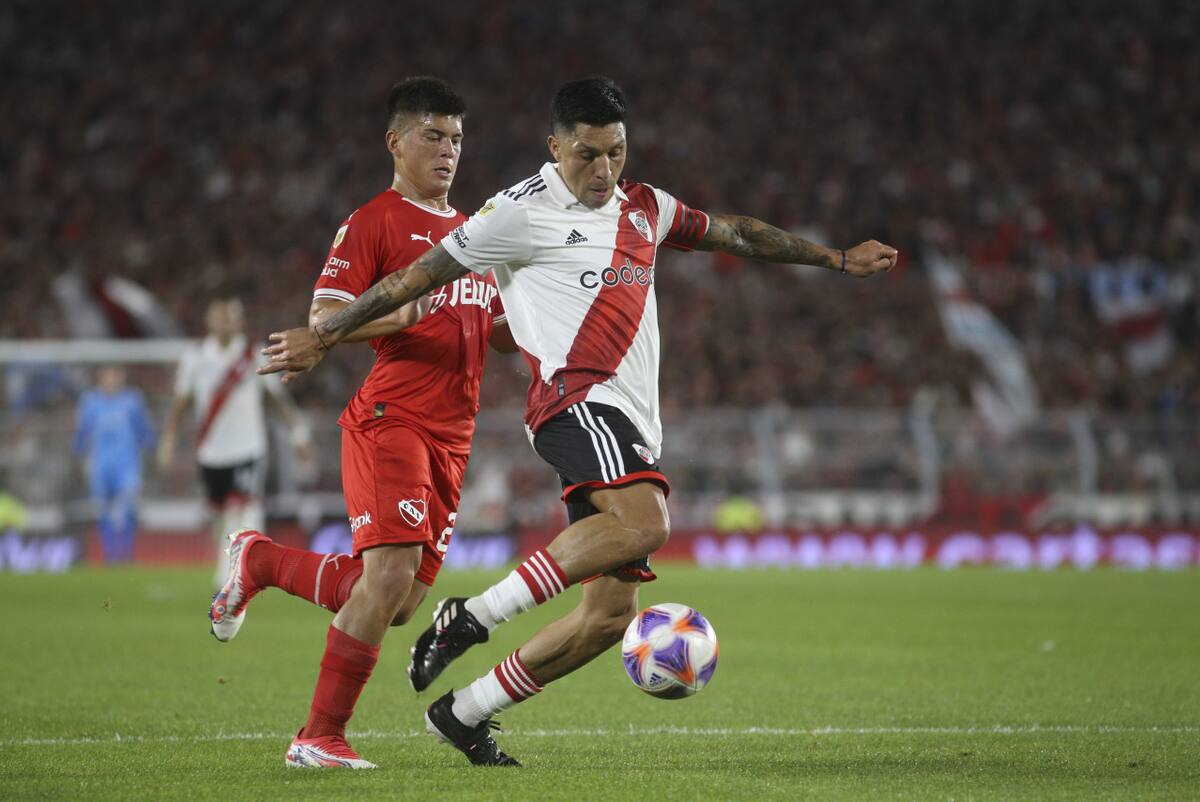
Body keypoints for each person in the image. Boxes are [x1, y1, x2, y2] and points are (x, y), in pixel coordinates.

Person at [259, 77, 898, 767]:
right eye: (587, 155)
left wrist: (832, 258)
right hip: (573, 402)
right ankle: (471, 617)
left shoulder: (646, 207)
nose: (603, 170)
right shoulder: (515, 213)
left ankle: (464, 712)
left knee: (607, 618)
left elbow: (734, 233)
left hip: (630, 419)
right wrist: (326, 333)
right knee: (649, 521)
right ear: (555, 147)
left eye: (615, 154)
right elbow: (415, 277)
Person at [210, 77, 516, 770]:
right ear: (397, 142)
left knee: (400, 600)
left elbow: (492, 326)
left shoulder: (474, 233)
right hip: (393, 418)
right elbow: (325, 316)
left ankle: (258, 559)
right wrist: (402, 313)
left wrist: (530, 329)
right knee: (386, 582)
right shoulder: (374, 221)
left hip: (453, 434)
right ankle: (318, 736)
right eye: (434, 136)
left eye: (457, 139)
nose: (448, 151)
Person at [158, 294, 312, 586]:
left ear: (239, 321)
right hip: (211, 452)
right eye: (220, 315)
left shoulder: (254, 356)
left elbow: (277, 401)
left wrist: (298, 434)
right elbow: (180, 404)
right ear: (209, 320)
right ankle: (230, 563)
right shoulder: (195, 358)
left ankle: (233, 575)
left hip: (248, 449)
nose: (225, 322)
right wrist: (169, 439)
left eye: (230, 316)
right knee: (219, 519)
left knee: (242, 509)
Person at [73, 365, 155, 563]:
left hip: (127, 465)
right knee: (103, 511)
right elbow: (82, 432)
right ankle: (110, 554)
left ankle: (126, 553)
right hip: (100, 466)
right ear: (100, 378)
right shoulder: (91, 402)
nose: (112, 380)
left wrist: (152, 446)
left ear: (122, 377)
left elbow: (143, 428)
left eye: (115, 376)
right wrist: (76, 452)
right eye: (107, 376)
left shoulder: (132, 400)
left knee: (127, 509)